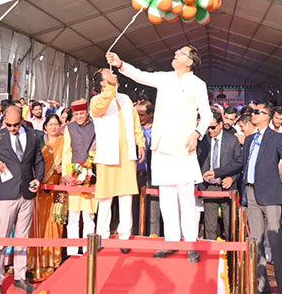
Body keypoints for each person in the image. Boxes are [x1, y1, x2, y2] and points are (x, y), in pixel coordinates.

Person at [107, 46, 211, 263]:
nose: (175, 54)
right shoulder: (165, 78)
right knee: (167, 198)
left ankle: (191, 243)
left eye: (180, 53)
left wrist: (197, 132)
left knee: (185, 197)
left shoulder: (197, 84)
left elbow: (207, 114)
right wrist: (120, 64)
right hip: (162, 147)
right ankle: (172, 241)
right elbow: (141, 76)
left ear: (190, 61)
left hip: (184, 147)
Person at [204, 103, 282, 294]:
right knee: (256, 243)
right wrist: (216, 172)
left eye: (258, 112)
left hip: (271, 195)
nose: (254, 114)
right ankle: (262, 287)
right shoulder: (250, 139)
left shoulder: (276, 138)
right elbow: (239, 162)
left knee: (275, 243)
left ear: (267, 116)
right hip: (251, 194)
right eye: (254, 111)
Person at [0, 106, 45, 294]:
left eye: (16, 125)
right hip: (5, 194)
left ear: (22, 120)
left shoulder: (33, 136)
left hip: (27, 193)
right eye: (9, 124)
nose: (12, 128)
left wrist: (38, 179)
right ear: (4, 120)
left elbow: (39, 160)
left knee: (22, 239)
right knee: (1, 239)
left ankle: (20, 278)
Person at [90, 69, 146, 253]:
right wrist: (111, 88)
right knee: (105, 198)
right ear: (102, 83)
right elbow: (104, 103)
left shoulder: (125, 99)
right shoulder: (97, 101)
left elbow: (136, 123)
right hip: (107, 155)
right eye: (109, 74)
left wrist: (141, 143)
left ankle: (124, 237)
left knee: (126, 197)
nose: (114, 74)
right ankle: (102, 235)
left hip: (127, 155)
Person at [197, 109, 241, 240]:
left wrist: (232, 178)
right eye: (208, 128)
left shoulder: (232, 140)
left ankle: (229, 255)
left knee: (229, 224)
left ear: (221, 124)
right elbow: (199, 161)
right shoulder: (203, 140)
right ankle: (211, 255)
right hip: (209, 187)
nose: (210, 130)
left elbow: (239, 163)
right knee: (210, 225)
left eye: (213, 127)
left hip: (227, 186)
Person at [27, 114, 64, 269]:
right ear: (45, 127)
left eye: (56, 124)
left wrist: (64, 168)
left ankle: (54, 260)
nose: (54, 127)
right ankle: (36, 261)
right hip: (40, 190)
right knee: (38, 223)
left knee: (54, 223)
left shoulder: (64, 142)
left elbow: (70, 160)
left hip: (57, 188)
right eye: (51, 125)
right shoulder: (39, 143)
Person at [61, 99, 97, 256]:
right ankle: (72, 252)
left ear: (87, 112)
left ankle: (90, 251)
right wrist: (66, 174)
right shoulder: (69, 128)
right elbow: (66, 151)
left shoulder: (96, 126)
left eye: (82, 113)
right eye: (76, 114)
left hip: (91, 176)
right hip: (73, 175)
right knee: (73, 216)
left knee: (89, 215)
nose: (80, 117)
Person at [133, 100, 160, 236]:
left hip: (154, 176)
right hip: (136, 175)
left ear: (151, 114)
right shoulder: (134, 130)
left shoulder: (158, 130)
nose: (139, 117)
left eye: (142, 114)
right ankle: (135, 238)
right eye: (137, 114)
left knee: (153, 212)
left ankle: (154, 239)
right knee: (134, 210)